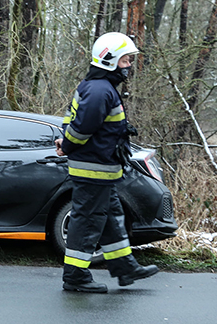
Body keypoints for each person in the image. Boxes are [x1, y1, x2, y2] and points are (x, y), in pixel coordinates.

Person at [54, 32, 159, 293]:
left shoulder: (99, 87)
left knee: (112, 218)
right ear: (109, 60)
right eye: (125, 60)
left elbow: (82, 125)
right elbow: (82, 129)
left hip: (102, 171)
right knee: (87, 222)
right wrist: (66, 146)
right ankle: (75, 276)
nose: (129, 65)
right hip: (94, 171)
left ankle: (125, 267)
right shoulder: (100, 90)